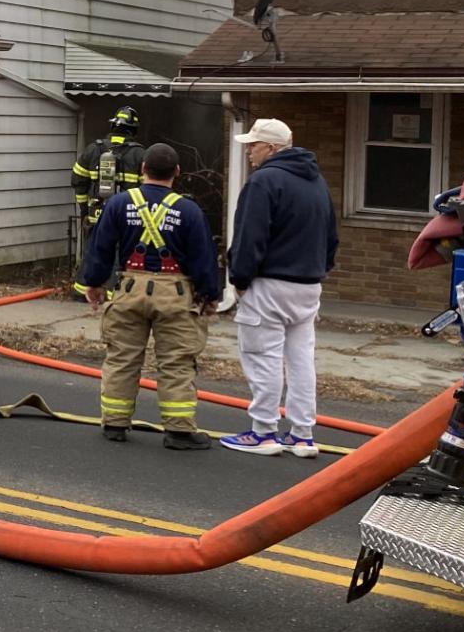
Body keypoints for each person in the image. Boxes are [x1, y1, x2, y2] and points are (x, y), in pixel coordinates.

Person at [73, 143, 220, 450]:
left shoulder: (118, 204)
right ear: (177, 173)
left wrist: (94, 283)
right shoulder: (189, 210)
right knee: (176, 362)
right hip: (175, 295)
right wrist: (210, 296)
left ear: (143, 170)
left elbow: (99, 248)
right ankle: (179, 431)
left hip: (129, 290)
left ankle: (114, 423)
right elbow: (203, 258)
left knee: (122, 358)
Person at [219, 118, 338, 458]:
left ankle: (263, 431)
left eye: (253, 145)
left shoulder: (264, 182)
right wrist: (320, 269)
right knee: (301, 361)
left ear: (271, 148)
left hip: (269, 283)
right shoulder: (317, 182)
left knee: (262, 356)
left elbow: (249, 237)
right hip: (308, 284)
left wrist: (239, 279)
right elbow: (332, 237)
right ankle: (302, 434)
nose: (248, 151)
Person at [71, 106, 147, 242]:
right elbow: (148, 190)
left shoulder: (92, 149)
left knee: (95, 259)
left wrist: (84, 210)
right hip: (128, 222)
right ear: (134, 130)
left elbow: (78, 181)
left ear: (112, 125)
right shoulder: (140, 154)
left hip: (96, 219)